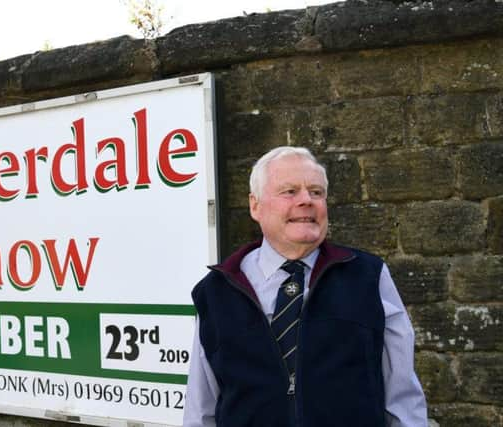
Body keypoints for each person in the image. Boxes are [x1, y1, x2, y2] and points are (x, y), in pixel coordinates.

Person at [183, 146, 428, 427]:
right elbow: (200, 410)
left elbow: (403, 397)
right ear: (255, 205)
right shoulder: (216, 292)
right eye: (290, 191)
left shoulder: (368, 276)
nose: (306, 201)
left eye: (316, 192)